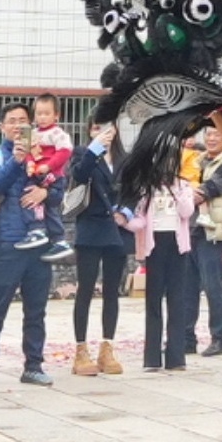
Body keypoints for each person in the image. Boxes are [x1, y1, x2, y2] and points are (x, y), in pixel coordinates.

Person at [0, 103, 63, 387]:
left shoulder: (45, 153)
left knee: (36, 309)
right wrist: (17, 160)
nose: (17, 126)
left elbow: (60, 191)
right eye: (12, 121)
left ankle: (33, 365)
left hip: (40, 242)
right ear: (2, 127)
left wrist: (44, 191)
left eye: (23, 121)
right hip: (9, 242)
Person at [66, 115, 133, 377]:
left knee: (112, 290)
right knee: (85, 288)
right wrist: (94, 149)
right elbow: (79, 176)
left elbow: (134, 189)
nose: (102, 132)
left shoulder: (124, 159)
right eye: (95, 127)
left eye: (106, 127)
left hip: (116, 230)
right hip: (91, 227)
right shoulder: (83, 153)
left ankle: (108, 346)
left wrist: (125, 212)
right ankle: (81, 349)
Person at [134, 153, 201, 374]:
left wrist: (178, 191)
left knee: (177, 300)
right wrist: (126, 222)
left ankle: (176, 357)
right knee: (153, 300)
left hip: (177, 244)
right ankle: (152, 358)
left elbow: (187, 212)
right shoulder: (148, 186)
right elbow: (141, 216)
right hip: (155, 245)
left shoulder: (183, 185)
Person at [194, 154, 222, 357]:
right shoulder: (197, 161)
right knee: (187, 287)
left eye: (216, 134)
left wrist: (183, 192)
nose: (212, 138)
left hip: (213, 232)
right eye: (209, 134)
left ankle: (219, 338)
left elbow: (208, 190)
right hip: (190, 230)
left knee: (213, 286)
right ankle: (186, 338)